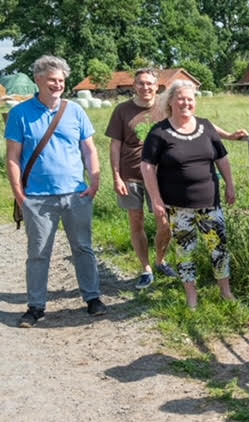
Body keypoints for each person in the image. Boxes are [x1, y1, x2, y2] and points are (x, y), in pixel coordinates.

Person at [5, 55, 106, 327]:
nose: (58, 84)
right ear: (38, 79)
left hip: (76, 194)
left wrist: (94, 182)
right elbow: (12, 157)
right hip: (37, 197)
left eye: (61, 80)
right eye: (52, 80)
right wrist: (19, 194)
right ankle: (36, 306)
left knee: (83, 248)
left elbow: (89, 148)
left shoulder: (75, 111)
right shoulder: (19, 114)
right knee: (38, 253)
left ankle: (93, 298)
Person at [141, 80, 236, 308]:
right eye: (181, 98)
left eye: (190, 99)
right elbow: (147, 166)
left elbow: (221, 158)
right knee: (186, 252)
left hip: (210, 203)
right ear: (171, 101)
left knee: (219, 248)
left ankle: (226, 291)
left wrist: (230, 185)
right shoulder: (160, 132)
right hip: (178, 206)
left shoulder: (206, 127)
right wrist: (156, 200)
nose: (186, 103)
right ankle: (191, 296)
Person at [106, 68, 176, 289]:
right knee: (136, 222)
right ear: (134, 86)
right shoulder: (122, 110)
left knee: (165, 222)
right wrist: (116, 176)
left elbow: (190, 125)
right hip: (131, 176)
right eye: (141, 83)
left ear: (157, 86)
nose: (145, 87)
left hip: (161, 177)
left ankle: (160, 261)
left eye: (149, 84)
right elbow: (115, 146)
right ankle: (146, 268)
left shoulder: (166, 108)